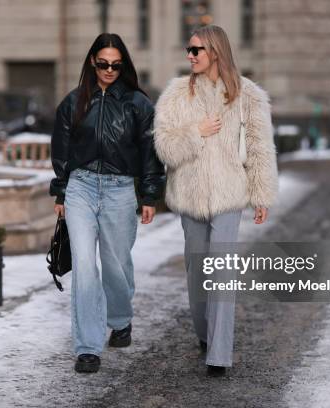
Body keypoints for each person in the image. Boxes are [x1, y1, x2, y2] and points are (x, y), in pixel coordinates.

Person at [153, 25, 278, 377]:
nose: (190, 56)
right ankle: (205, 334)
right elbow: (163, 145)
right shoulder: (177, 93)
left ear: (216, 52)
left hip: (228, 195)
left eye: (196, 50)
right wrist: (196, 133)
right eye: (188, 50)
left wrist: (261, 194)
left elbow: (258, 146)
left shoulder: (248, 95)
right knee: (197, 273)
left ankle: (219, 354)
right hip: (189, 195)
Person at [49, 33, 165, 374]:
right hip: (81, 188)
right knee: (85, 266)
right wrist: (61, 192)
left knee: (116, 264)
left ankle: (120, 318)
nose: (110, 70)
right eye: (103, 64)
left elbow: (150, 153)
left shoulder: (138, 104)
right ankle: (88, 346)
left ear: (123, 64)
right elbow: (61, 151)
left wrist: (148, 195)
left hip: (119, 190)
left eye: (116, 64)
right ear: (92, 62)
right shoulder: (73, 103)